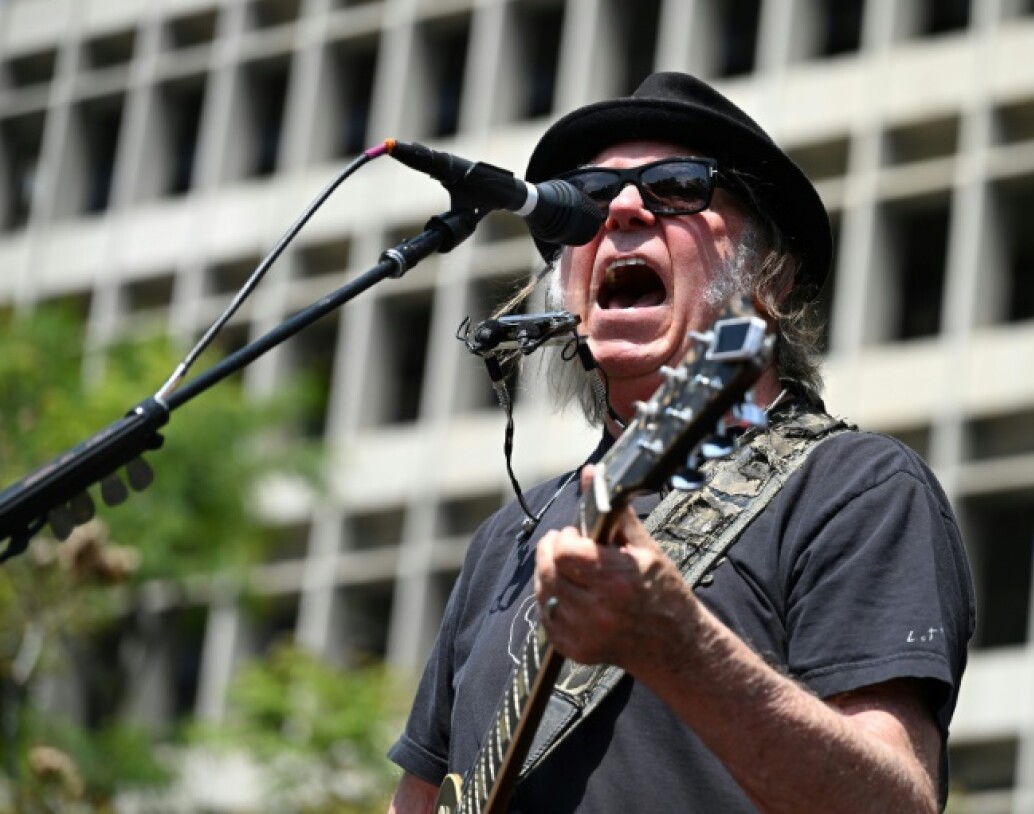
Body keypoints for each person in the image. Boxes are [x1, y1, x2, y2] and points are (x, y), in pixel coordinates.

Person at [387, 72, 975, 814]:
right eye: (591, 197)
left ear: (772, 275)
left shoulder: (855, 488)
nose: (624, 209)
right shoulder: (509, 537)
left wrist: (677, 648)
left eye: (677, 188)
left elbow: (896, 804)